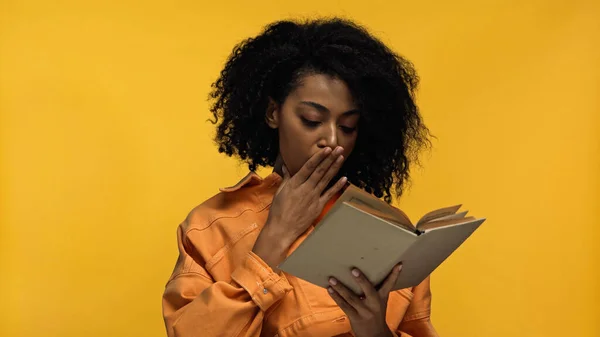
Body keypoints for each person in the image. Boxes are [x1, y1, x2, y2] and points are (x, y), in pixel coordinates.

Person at [162, 18, 436, 337]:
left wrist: (375, 331)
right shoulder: (211, 226)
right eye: (312, 120)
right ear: (273, 113)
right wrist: (275, 237)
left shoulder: (387, 229)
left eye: (348, 127)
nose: (332, 140)